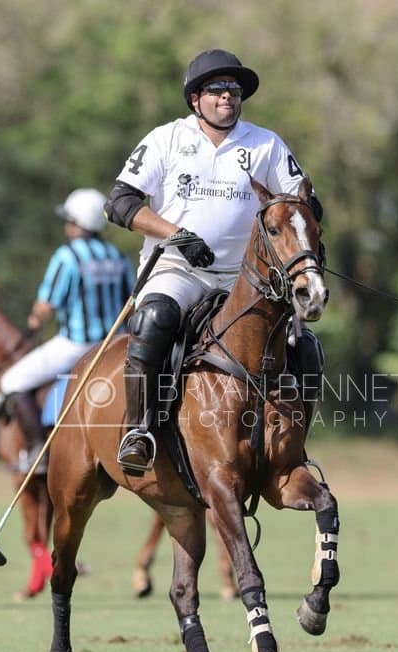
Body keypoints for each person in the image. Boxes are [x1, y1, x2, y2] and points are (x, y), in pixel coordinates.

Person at [104, 48, 324, 474]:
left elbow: (306, 202)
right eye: (217, 89)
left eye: (234, 90)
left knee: (306, 348)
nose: (228, 97)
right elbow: (121, 202)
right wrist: (178, 236)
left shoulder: (265, 144)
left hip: (248, 280)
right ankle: (139, 430)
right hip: (178, 268)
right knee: (154, 320)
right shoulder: (167, 139)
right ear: (195, 99)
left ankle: (296, 447)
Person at [0, 188, 135, 474]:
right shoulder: (118, 257)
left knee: (11, 381)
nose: (66, 226)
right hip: (115, 345)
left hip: (77, 346)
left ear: (76, 223)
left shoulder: (67, 256)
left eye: (69, 221)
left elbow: (46, 306)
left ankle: (38, 449)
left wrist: (35, 318)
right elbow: (131, 303)